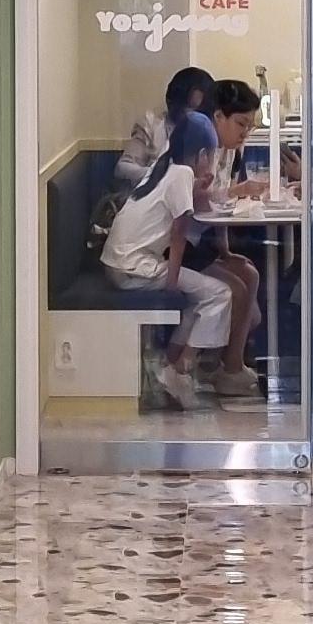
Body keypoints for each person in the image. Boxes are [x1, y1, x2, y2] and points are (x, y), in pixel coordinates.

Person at [99, 112, 233, 407]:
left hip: (117, 263)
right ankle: (179, 369)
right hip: (134, 267)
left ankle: (170, 367)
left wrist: (199, 187)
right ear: (202, 155)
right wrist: (172, 279)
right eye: (212, 156)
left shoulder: (164, 166)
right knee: (219, 294)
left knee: (198, 299)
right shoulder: (182, 174)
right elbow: (179, 231)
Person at [195, 79, 268, 401]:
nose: (245, 133)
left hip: (203, 242)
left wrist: (225, 252)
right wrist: (238, 191)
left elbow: (220, 209)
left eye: (250, 126)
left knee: (249, 272)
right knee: (236, 288)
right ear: (218, 117)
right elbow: (196, 202)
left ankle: (231, 365)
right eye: (240, 124)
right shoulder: (198, 151)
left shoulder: (231, 153)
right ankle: (222, 368)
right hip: (178, 246)